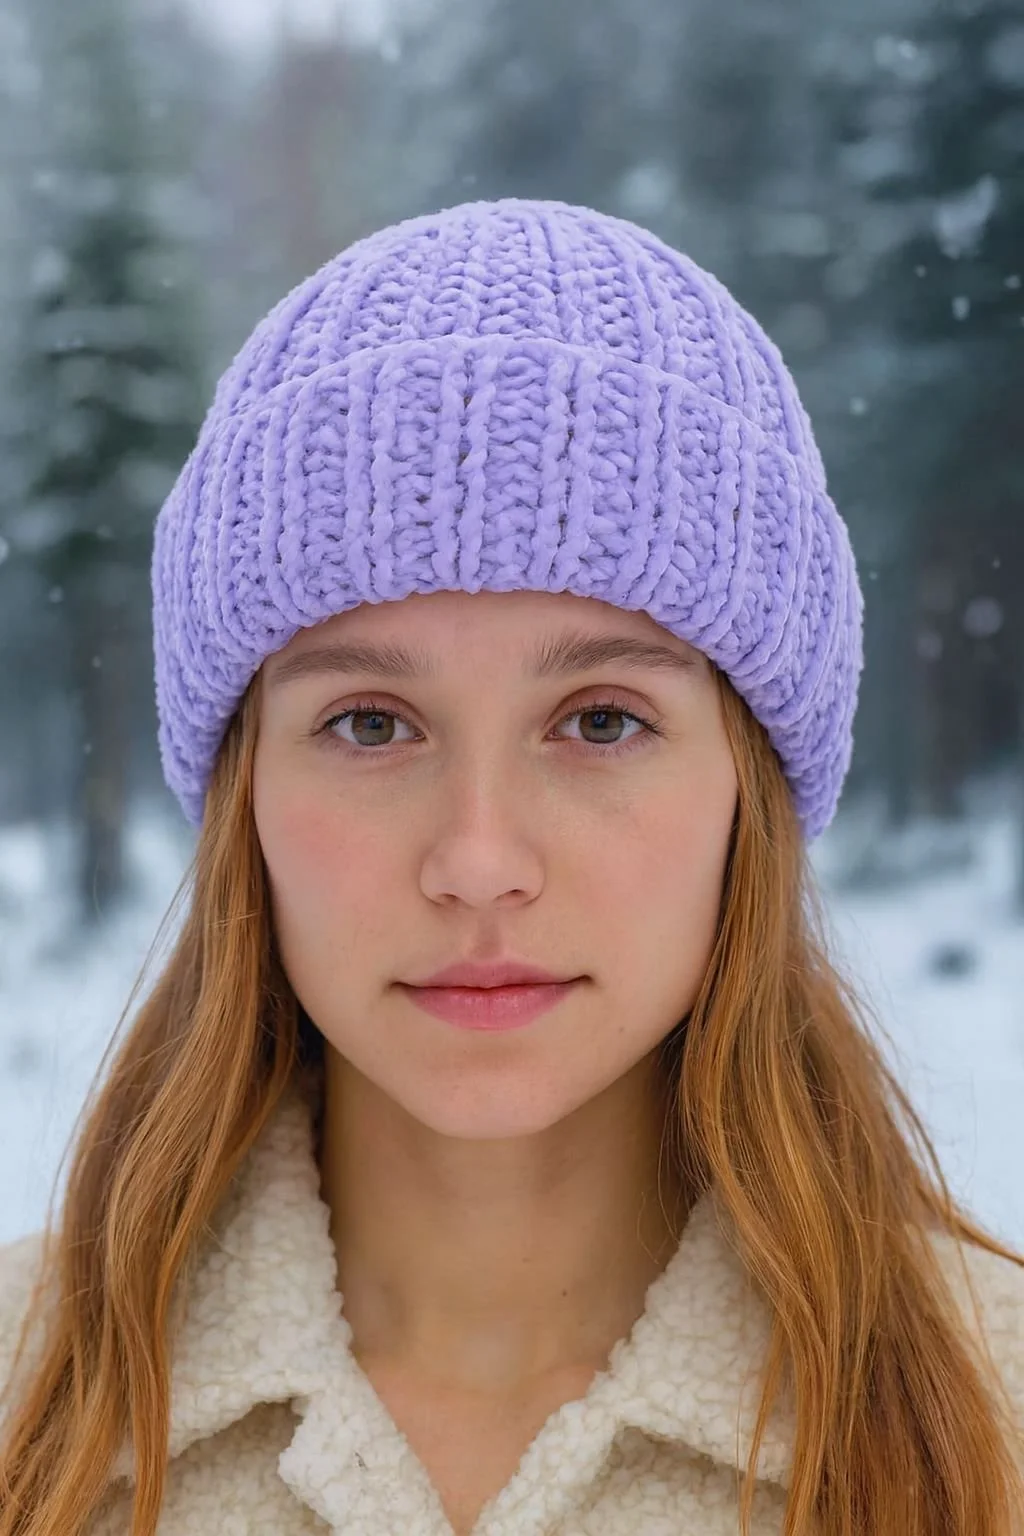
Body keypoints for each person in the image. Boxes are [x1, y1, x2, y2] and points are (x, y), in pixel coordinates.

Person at [0, 198, 1021, 1536]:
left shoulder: (989, 1416)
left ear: (748, 786)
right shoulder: (29, 1402)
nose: (479, 862)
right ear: (246, 791)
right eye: (369, 723)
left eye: (601, 721)